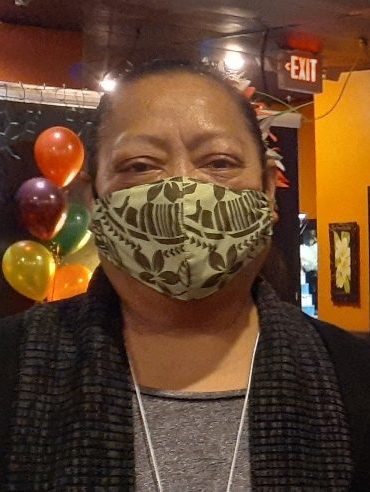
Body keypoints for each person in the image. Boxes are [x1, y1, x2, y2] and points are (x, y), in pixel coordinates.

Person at [1, 61, 370, 491]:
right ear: (94, 198)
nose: (181, 189)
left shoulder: (355, 381)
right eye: (140, 166)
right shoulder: (13, 367)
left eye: (219, 161)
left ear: (268, 193)